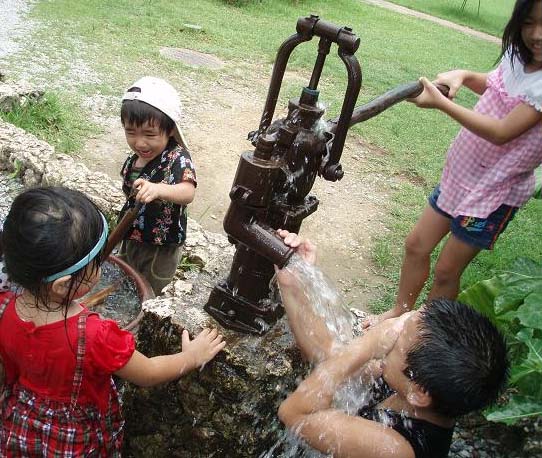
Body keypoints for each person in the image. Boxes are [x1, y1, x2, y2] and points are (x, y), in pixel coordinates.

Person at [0, 187, 225, 456]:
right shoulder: (94, 335)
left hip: (21, 420)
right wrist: (191, 357)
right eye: (97, 261)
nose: (102, 265)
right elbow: (148, 373)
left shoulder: (5, 307)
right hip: (71, 437)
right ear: (63, 285)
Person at [366, 0, 542, 326]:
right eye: (529, 22)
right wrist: (462, 75)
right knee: (416, 244)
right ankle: (398, 312)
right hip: (461, 175)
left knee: (447, 270)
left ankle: (420, 336)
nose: (536, 35)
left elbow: (503, 132)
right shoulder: (519, 58)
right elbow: (491, 83)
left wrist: (441, 105)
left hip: (495, 193)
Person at [275, 230, 509, 458]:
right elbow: (331, 358)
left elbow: (294, 413)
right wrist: (295, 284)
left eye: (397, 339)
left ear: (419, 392)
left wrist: (368, 343)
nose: (391, 330)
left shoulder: (396, 448)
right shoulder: (411, 385)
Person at [117, 76, 197, 295]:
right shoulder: (136, 158)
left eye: (150, 134)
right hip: (133, 234)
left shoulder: (177, 158)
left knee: (151, 288)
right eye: (130, 132)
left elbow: (188, 191)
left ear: (170, 129)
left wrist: (159, 189)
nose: (140, 142)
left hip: (161, 246)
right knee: (124, 278)